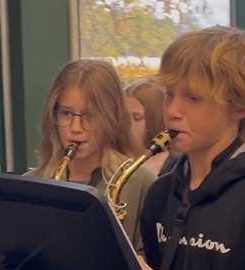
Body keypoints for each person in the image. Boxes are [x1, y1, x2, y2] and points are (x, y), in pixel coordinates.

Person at [138, 25, 245, 270]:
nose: (172, 111)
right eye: (169, 93)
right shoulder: (161, 193)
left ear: (240, 106)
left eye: (193, 97)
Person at [26, 59, 156, 253]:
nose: (75, 128)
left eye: (89, 115)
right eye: (66, 113)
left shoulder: (141, 183)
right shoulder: (30, 185)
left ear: (112, 118)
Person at [124, 75, 178, 176]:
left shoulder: (168, 169)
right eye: (123, 117)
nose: (127, 124)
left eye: (137, 118)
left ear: (157, 120)